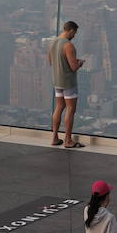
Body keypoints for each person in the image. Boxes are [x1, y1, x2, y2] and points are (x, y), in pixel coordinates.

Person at [48, 20, 86, 148]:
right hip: (68, 82)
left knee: (58, 107)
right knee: (70, 109)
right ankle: (68, 140)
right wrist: (80, 62)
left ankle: (54, 138)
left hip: (56, 80)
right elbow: (74, 67)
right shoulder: (68, 45)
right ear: (70, 30)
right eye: (74, 33)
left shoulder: (52, 42)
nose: (74, 36)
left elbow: (50, 61)